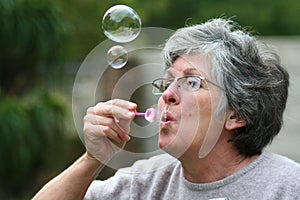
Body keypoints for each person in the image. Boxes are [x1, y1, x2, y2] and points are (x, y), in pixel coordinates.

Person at [33, 18, 300, 200]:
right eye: (168, 82)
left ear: (237, 114)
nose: (168, 95)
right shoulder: (143, 182)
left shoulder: (288, 187)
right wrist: (93, 159)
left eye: (192, 82)